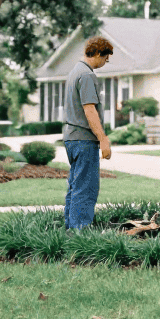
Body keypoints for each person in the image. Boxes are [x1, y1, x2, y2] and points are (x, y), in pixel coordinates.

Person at [62, 36, 114, 229]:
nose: (104, 63)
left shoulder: (75, 71)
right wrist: (103, 139)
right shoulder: (87, 75)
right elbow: (89, 109)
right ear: (98, 54)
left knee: (75, 187)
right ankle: (80, 234)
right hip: (84, 140)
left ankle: (70, 230)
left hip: (72, 138)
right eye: (105, 59)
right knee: (86, 188)